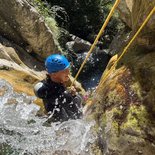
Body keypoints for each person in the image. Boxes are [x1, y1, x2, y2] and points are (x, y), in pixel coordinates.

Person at [34, 54, 83, 122]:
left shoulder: (50, 83)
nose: (68, 72)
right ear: (54, 74)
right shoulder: (56, 92)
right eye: (65, 71)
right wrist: (73, 96)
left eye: (68, 69)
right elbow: (77, 115)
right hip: (62, 125)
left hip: (58, 121)